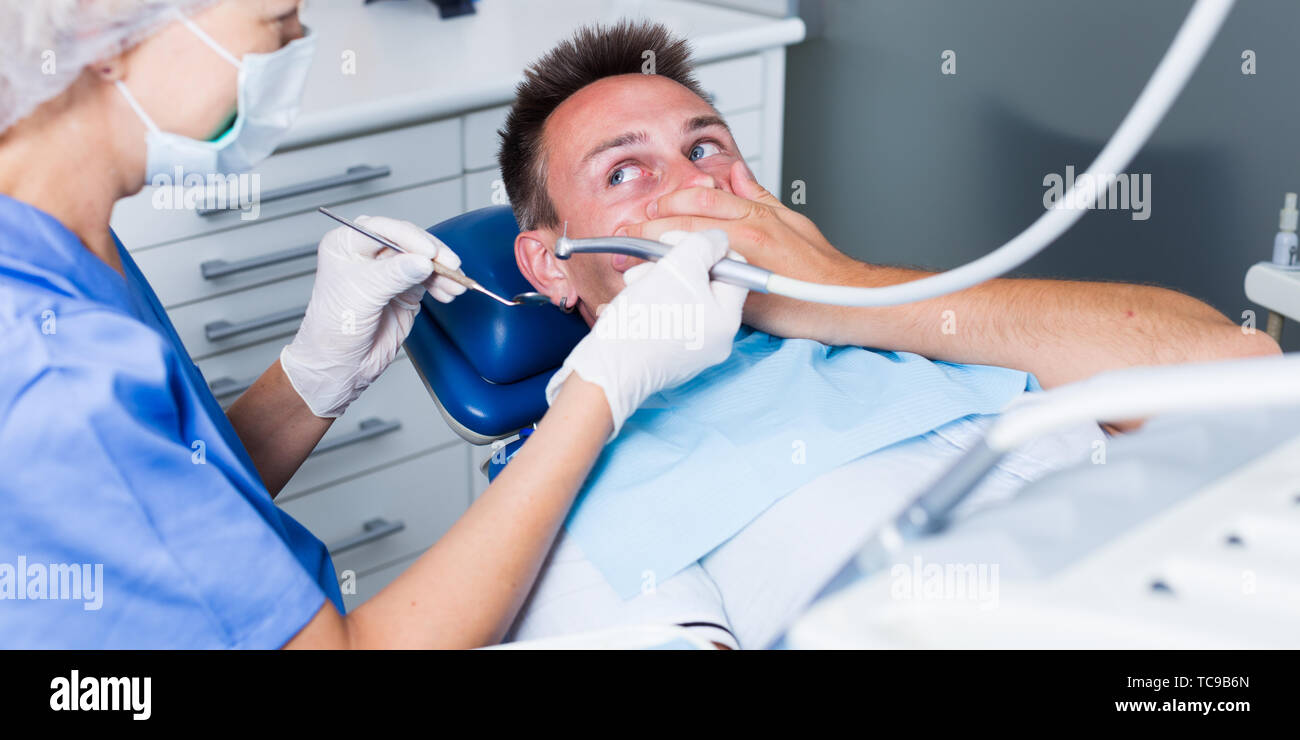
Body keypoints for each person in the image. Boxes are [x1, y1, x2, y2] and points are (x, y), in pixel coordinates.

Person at [494, 21, 1282, 648]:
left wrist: (836, 290)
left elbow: (1242, 373)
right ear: (550, 266)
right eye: (623, 172)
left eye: (704, 149)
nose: (694, 186)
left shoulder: (901, 321)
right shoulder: (574, 474)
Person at [0, 0, 746, 649]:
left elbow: (167, 517)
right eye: (275, 19)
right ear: (105, 27)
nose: (296, 45)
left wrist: (311, 378)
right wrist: (598, 388)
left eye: (703, 148)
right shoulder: (48, 363)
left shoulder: (67, 235)